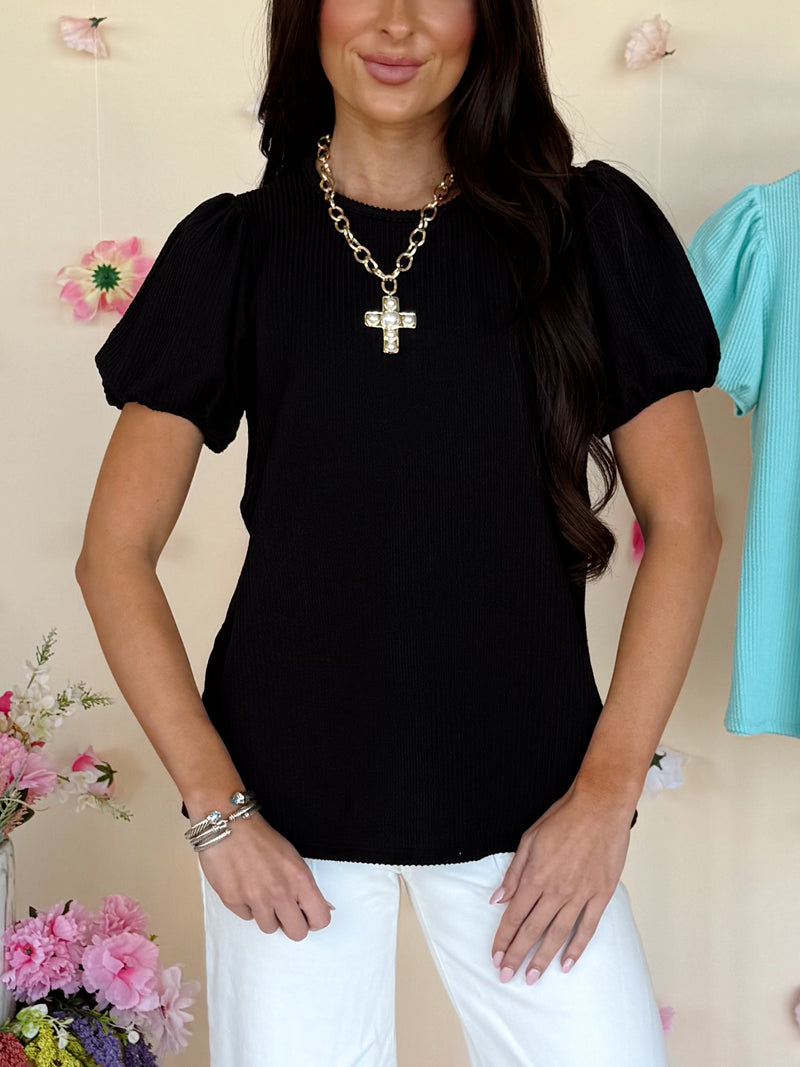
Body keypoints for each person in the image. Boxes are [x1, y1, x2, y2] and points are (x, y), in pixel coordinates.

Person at [75, 1, 722, 1064]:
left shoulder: (586, 229)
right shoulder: (239, 249)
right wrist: (218, 813)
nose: (396, 24)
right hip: (281, 824)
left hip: (540, 810)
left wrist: (605, 798)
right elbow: (113, 553)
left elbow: (685, 525)